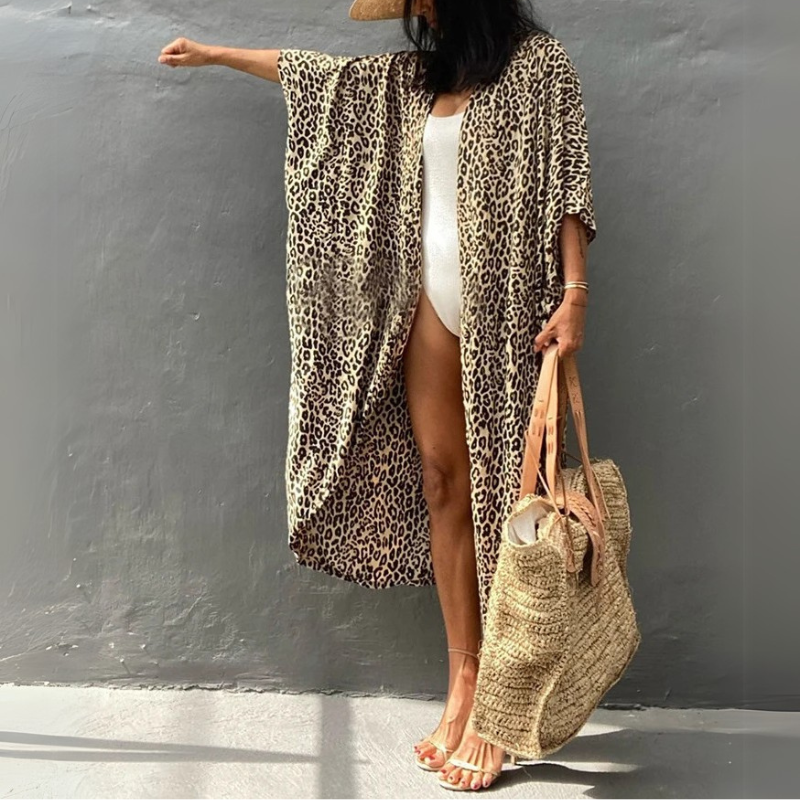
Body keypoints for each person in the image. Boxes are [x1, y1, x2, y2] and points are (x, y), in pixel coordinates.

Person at [158, 0, 596, 791]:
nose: (418, 9)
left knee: (511, 497)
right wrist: (216, 54)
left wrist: (575, 295)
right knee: (443, 484)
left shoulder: (541, 68)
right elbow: (316, 77)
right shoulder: (415, 80)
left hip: (510, 306)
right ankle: (463, 682)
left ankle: (499, 712)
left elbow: (570, 184)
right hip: (427, 304)